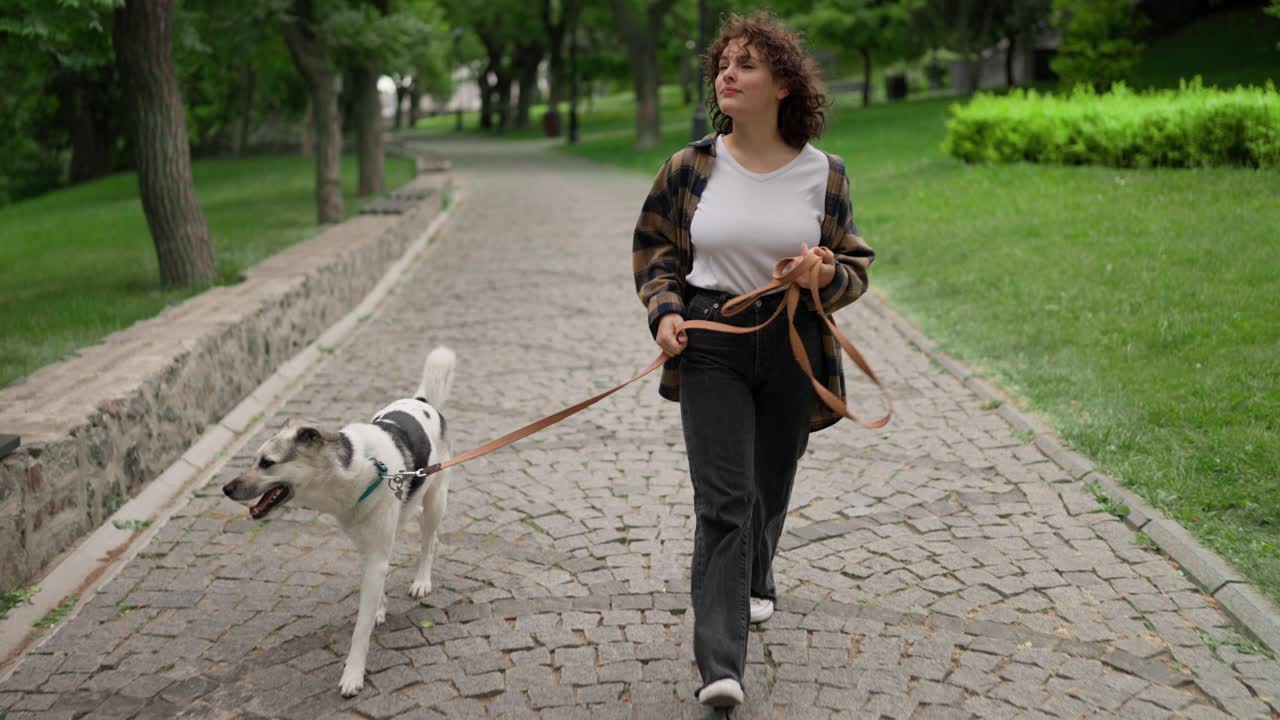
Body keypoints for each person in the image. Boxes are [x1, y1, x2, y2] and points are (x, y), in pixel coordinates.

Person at [630, 11, 876, 709]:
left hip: (793, 344)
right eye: (722, 65)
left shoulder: (823, 175)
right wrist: (666, 311)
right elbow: (656, 249)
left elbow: (854, 267)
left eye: (746, 65)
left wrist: (821, 274)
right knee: (725, 501)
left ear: (783, 86)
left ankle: (758, 576)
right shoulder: (690, 166)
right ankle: (720, 664)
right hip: (711, 341)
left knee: (770, 482)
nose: (727, 76)